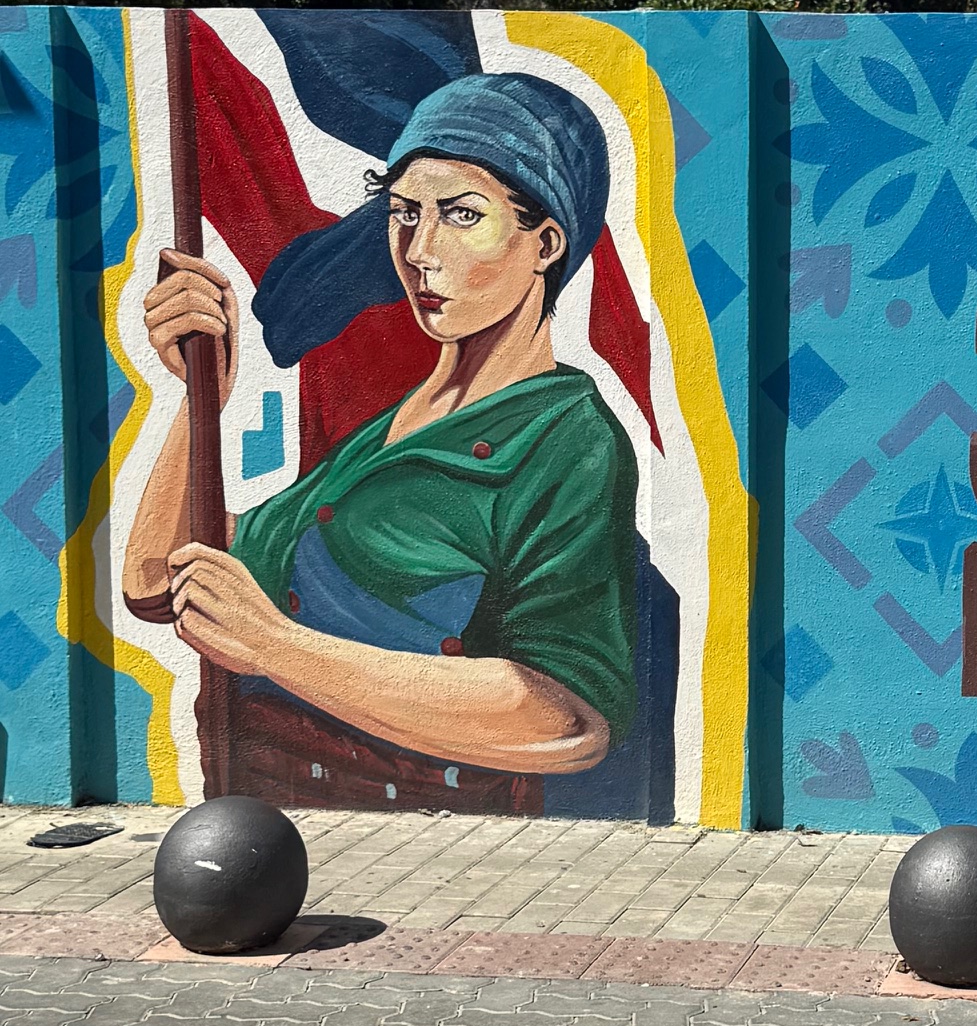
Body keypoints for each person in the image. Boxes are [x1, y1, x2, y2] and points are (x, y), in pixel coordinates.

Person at [122, 71, 639, 814]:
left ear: (546, 242)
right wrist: (200, 396)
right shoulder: (391, 426)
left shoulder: (567, 439)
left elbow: (570, 720)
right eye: (403, 213)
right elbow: (158, 581)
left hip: (428, 843)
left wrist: (275, 648)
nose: (419, 250)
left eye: (461, 215)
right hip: (263, 821)